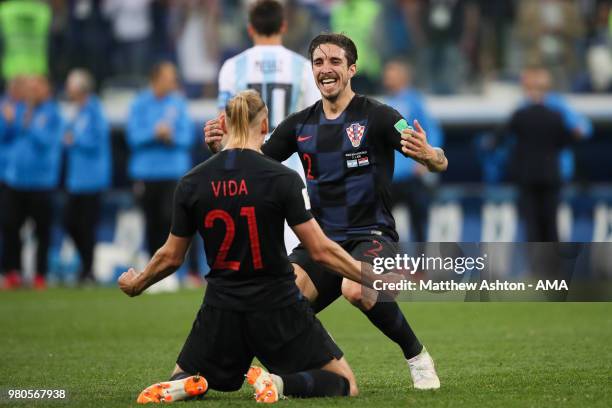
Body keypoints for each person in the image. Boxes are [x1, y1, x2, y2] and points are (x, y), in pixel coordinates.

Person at [118, 90, 399, 403]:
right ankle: (278, 383)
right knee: (344, 382)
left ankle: (181, 383)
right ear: (265, 125)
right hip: (277, 303)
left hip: (220, 305)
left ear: (223, 123)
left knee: (187, 372)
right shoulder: (282, 178)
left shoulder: (192, 182)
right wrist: (367, 274)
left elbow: (171, 256)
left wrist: (138, 282)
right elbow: (320, 250)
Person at [205, 33, 447, 390]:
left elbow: (436, 158)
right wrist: (222, 149)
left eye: (335, 62)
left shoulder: (380, 116)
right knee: (276, 299)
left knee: (356, 288)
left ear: (352, 69)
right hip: (321, 241)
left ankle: (417, 356)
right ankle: (261, 373)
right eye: (318, 62)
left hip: (372, 235)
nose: (326, 69)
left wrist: (432, 156)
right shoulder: (299, 124)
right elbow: (252, 163)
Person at [215, 0, 320, 252]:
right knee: (293, 244)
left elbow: (224, 124)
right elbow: (316, 123)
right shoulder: (302, 67)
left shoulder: (233, 67)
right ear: (283, 26)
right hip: (291, 165)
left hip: (246, 161)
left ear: (250, 28)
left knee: (251, 243)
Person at [501, 66, 585, 241]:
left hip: (536, 173)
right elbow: (573, 135)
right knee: (548, 223)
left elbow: (501, 138)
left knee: (536, 223)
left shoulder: (532, 111)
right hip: (550, 173)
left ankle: (541, 266)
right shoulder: (552, 113)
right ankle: (551, 266)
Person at [126, 62, 194, 258]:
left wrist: (171, 137)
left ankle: (175, 269)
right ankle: (152, 267)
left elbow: (187, 137)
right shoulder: (139, 103)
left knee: (173, 221)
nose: (173, 82)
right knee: (151, 221)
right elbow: (133, 137)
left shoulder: (178, 102)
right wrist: (154, 134)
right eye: (169, 78)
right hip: (146, 173)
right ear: (156, 79)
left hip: (173, 173)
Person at [1, 76, 63, 289]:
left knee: (42, 230)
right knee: (10, 227)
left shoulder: (52, 113)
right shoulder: (18, 110)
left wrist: (27, 124)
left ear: (46, 90)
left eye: (37, 88)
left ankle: (40, 275)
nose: (32, 92)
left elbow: (46, 141)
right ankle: (12, 273)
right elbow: (6, 138)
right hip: (15, 180)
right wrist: (9, 122)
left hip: (42, 182)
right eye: (30, 88)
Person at [383, 59, 444, 242]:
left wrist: (428, 160)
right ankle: (388, 264)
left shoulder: (414, 101)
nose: (386, 78)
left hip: (412, 174)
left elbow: (433, 131)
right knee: (384, 224)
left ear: (402, 77)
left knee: (418, 222)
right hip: (390, 176)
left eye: (390, 73)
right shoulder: (386, 103)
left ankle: (420, 267)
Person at [63, 69, 112, 284]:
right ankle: (85, 266)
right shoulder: (77, 110)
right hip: (76, 179)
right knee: (71, 223)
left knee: (87, 225)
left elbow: (97, 139)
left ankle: (88, 270)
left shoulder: (95, 110)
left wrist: (76, 140)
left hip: (92, 178)